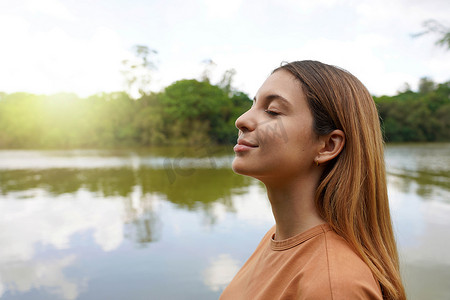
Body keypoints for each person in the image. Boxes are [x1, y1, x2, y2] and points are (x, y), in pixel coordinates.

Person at [220, 61, 406, 300]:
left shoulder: (334, 285)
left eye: (273, 111)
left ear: (328, 146)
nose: (242, 120)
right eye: (253, 104)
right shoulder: (276, 237)